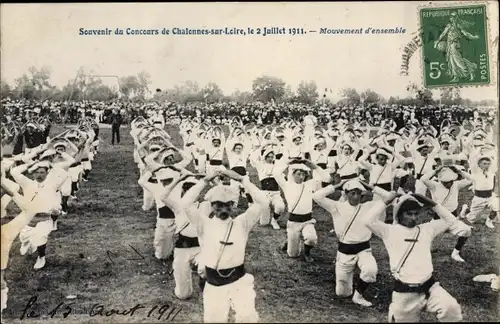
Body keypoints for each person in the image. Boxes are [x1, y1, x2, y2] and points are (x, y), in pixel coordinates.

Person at [363, 193, 472, 322]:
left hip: (430, 288)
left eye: (416, 214)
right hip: (405, 294)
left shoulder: (427, 229)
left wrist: (432, 203)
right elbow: (367, 220)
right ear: (399, 214)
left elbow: (451, 220)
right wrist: (386, 201)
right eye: (409, 214)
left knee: (451, 308)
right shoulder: (389, 231)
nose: (413, 218)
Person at [180, 168, 268, 323]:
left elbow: (263, 202)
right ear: (211, 205)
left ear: (233, 205)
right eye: (218, 205)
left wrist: (243, 180)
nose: (223, 209)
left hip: (239, 283)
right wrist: (205, 180)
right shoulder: (203, 224)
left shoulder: (242, 223)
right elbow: (186, 204)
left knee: (248, 318)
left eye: (228, 205)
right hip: (214, 285)